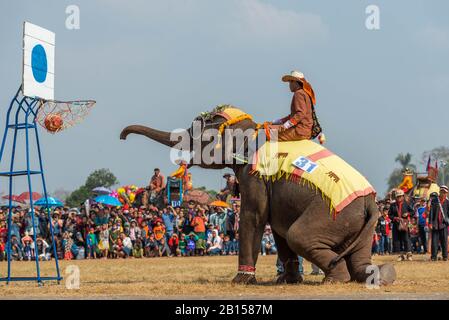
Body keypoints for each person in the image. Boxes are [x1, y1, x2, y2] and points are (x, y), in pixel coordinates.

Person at [269, 70, 323, 142]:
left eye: (291, 82)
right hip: (304, 130)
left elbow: (300, 114)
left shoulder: (299, 94)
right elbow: (294, 115)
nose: (289, 85)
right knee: (270, 127)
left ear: (296, 83)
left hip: (299, 131)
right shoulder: (305, 93)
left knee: (266, 133)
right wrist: (278, 121)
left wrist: (286, 125)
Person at [389, 189, 414, 261]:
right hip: (396, 224)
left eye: (400, 196)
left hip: (404, 224)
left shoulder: (406, 204)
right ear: (396, 197)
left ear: (403, 196)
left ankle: (409, 254)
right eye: (398, 196)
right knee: (397, 240)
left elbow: (412, 212)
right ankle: (401, 255)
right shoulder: (393, 205)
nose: (399, 198)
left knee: (406, 239)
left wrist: (407, 214)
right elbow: (389, 215)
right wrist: (394, 218)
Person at [429, 186, 449, 261]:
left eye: (445, 192)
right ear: (439, 192)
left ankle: (445, 256)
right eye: (442, 192)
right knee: (434, 241)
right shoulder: (434, 201)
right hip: (435, 224)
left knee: (444, 241)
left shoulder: (447, 202)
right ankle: (433, 256)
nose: (443, 194)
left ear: (447, 193)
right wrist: (430, 223)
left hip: (443, 224)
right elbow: (431, 212)